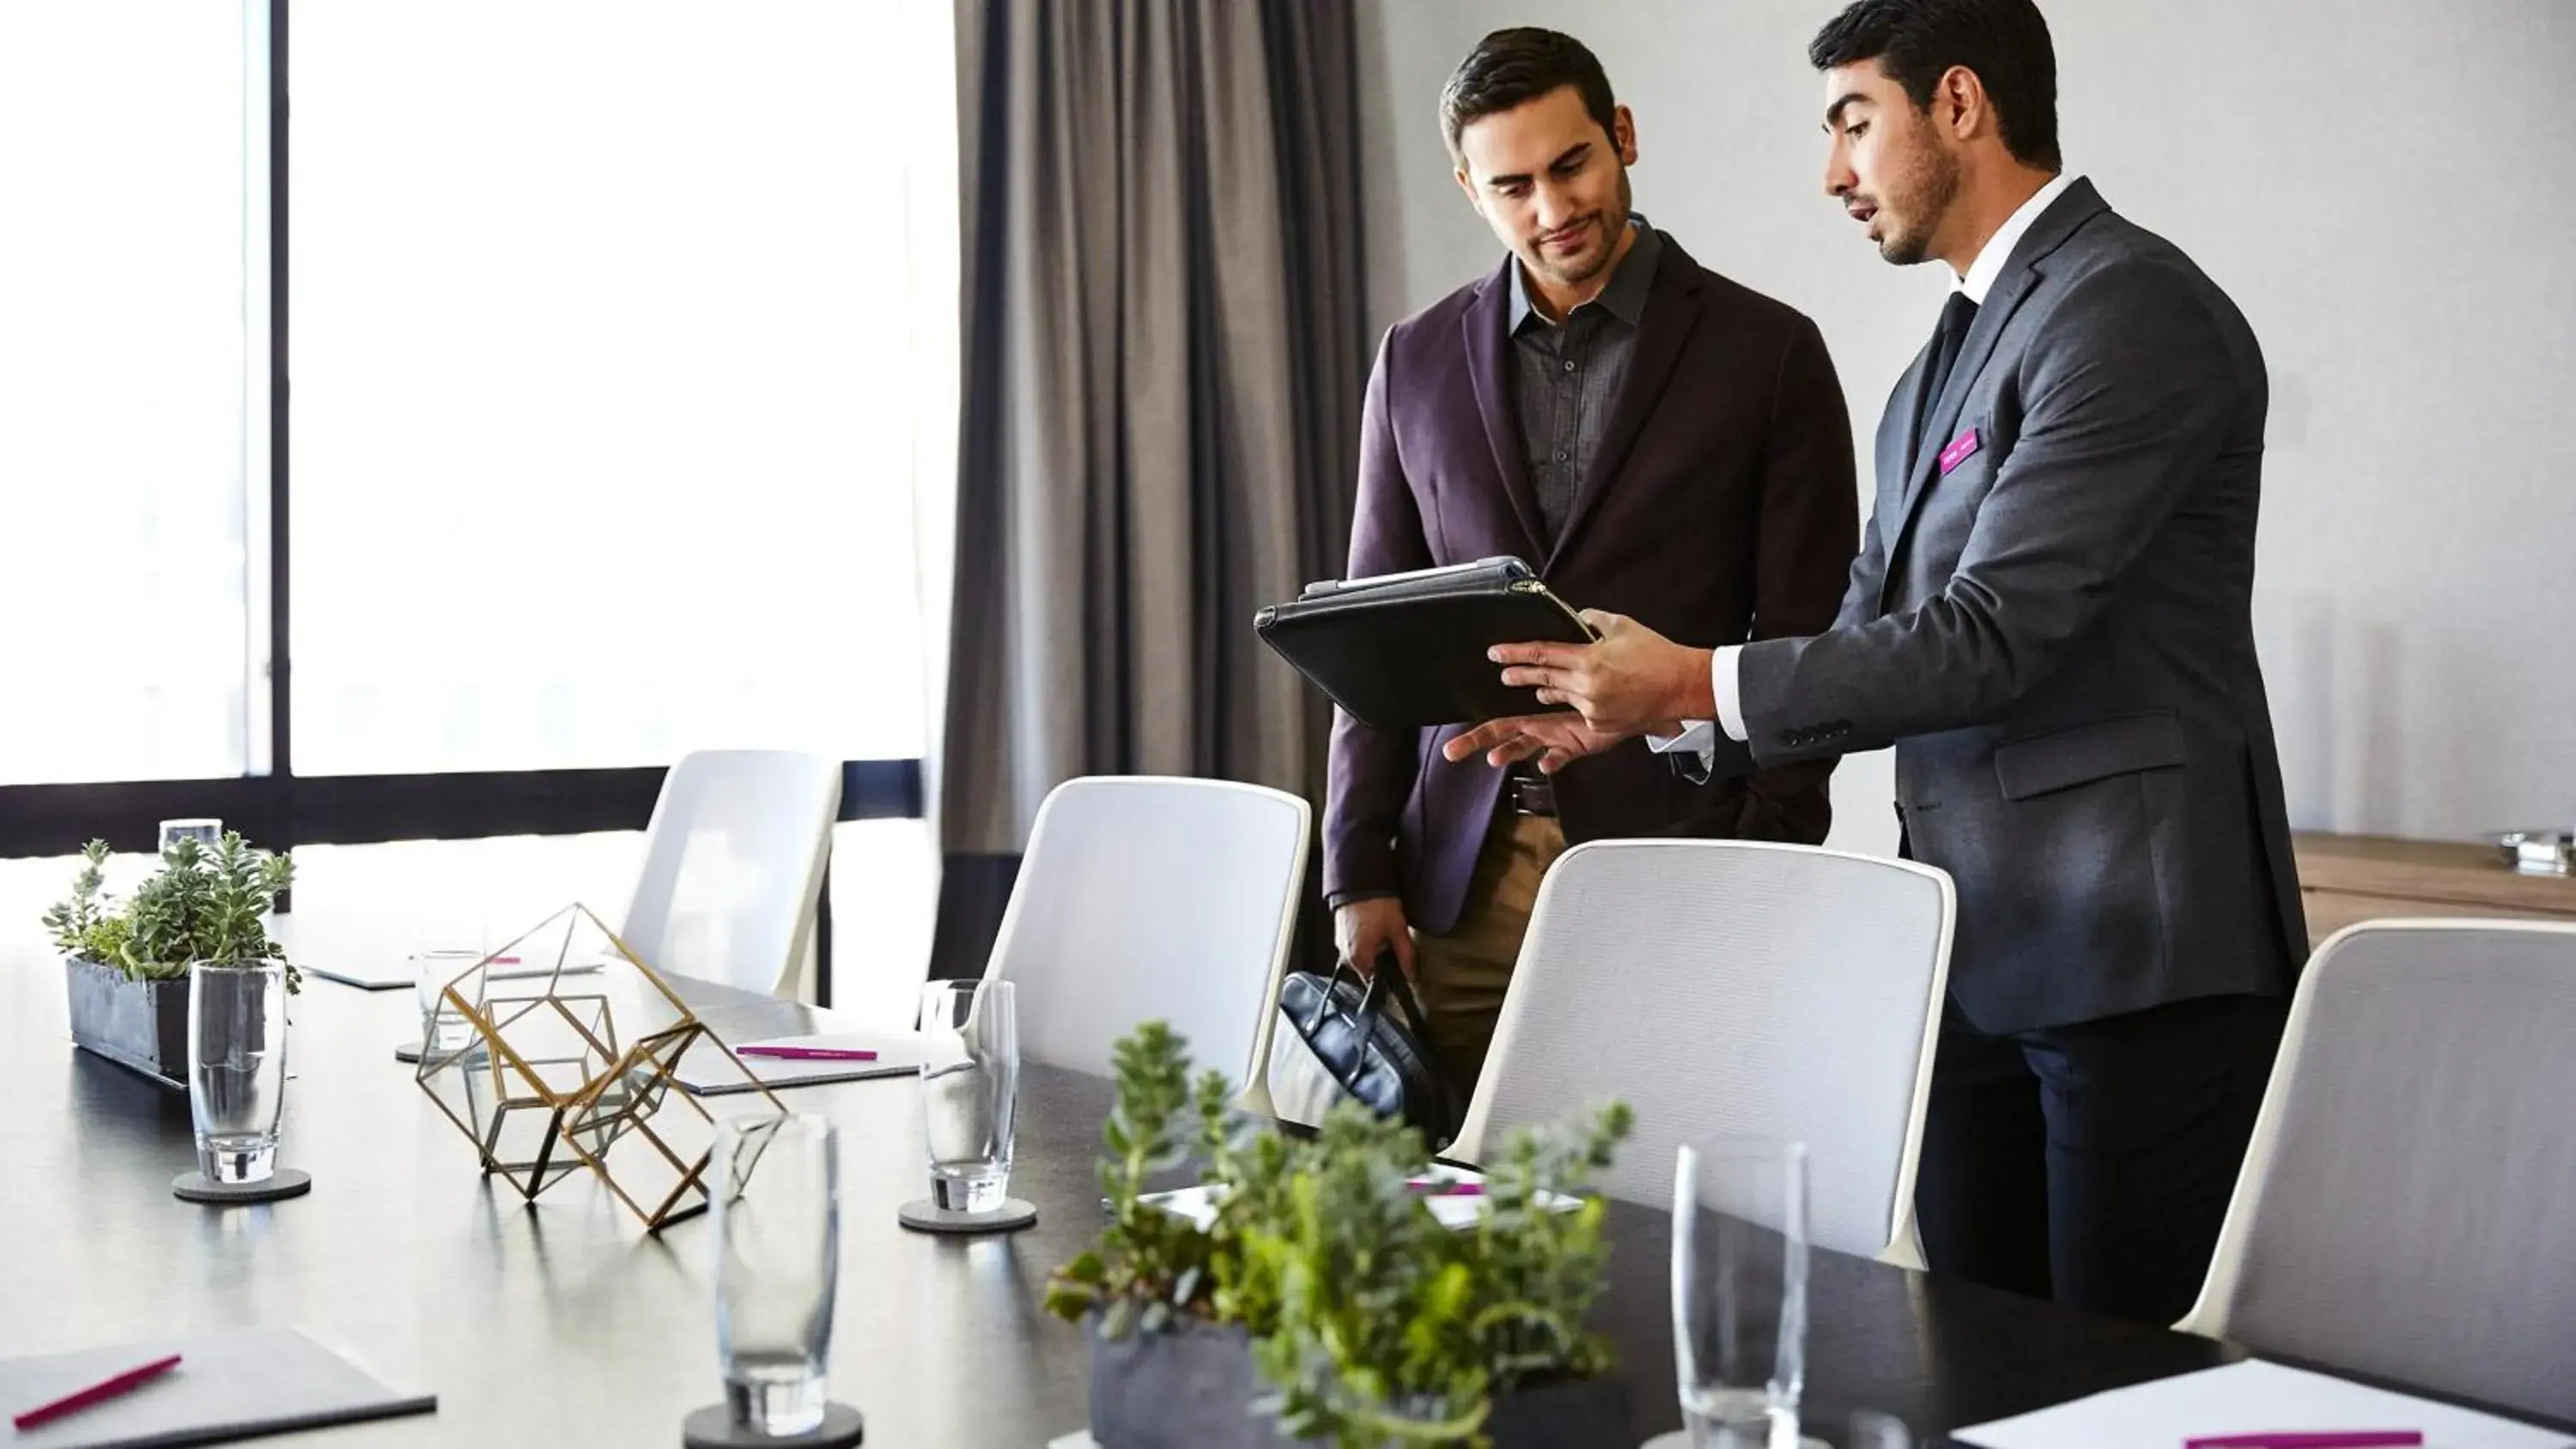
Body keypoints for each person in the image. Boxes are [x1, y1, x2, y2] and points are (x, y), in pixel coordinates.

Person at [1444, 0, 2306, 1325]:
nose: (1833, 172)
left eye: (1854, 123)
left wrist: (1685, 681)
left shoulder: (2128, 308)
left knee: (2120, 1387)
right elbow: (1861, 638)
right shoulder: (1932, 370)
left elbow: (1993, 636)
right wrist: (1646, 717)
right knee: (1969, 1358)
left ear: (1957, 104)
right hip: (1972, 953)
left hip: (2142, 964)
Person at [1325, 27, 1860, 1097]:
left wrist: (1761, 854)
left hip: (1682, 867)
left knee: (1652, 1212)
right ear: (1470, 188)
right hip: (1455, 883)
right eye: (1513, 184)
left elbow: (1814, 645)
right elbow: (1371, 640)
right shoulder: (1414, 360)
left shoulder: (1770, 353)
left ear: (1622, 137)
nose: (1552, 209)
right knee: (1457, 1220)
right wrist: (1358, 871)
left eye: (1571, 165)